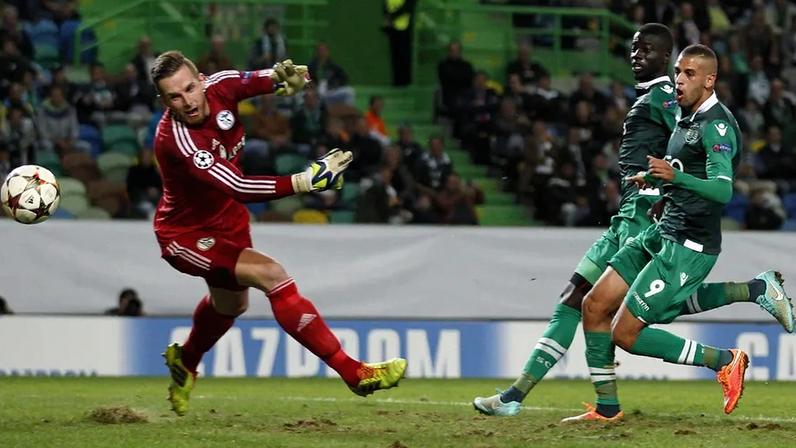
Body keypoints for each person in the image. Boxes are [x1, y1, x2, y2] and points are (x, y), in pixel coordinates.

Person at [472, 24, 793, 419]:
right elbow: (678, 156)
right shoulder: (674, 108)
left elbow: (715, 175)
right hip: (637, 219)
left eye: (648, 50)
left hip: (653, 224)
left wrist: (669, 186)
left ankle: (727, 348)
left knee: (633, 318)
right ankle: (582, 403)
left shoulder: (677, 105)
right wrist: (657, 180)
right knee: (588, 304)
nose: (637, 55)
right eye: (634, 48)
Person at [149, 51, 406, 416]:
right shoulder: (176, 140)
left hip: (227, 220)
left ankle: (185, 361)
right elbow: (236, 184)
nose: (187, 100)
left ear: (202, 79)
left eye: (190, 88)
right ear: (164, 101)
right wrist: (302, 180)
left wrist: (283, 78)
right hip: (186, 235)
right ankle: (354, 372)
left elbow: (254, 80)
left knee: (231, 305)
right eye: (174, 96)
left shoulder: (220, 86)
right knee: (272, 275)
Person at [565, 44, 794, 422]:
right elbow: (683, 171)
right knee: (594, 305)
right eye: (677, 72)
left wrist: (676, 177)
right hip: (663, 227)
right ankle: (607, 408)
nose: (678, 80)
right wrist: (661, 185)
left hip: (689, 244)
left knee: (626, 333)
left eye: (688, 74)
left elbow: (722, 189)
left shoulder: (716, 125)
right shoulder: (685, 120)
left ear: (709, 79)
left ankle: (725, 360)